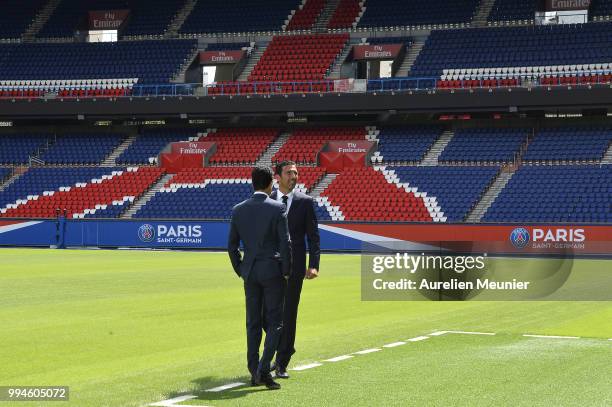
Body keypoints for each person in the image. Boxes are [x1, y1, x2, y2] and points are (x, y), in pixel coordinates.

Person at [228, 166, 292, 390]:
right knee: (275, 323)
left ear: (253, 183)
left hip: (250, 273)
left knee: (253, 323)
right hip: (273, 271)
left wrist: (241, 269)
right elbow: (286, 243)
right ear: (270, 184)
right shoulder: (278, 208)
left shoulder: (238, 209)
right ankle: (265, 370)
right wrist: (286, 270)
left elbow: (232, 246)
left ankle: (254, 370)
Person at [269, 161, 320, 378]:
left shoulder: (305, 202)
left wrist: (314, 265)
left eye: (296, 173)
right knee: (267, 313)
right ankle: (276, 350)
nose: (294, 176)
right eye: (289, 172)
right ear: (277, 177)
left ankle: (282, 361)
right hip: (269, 266)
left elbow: (313, 237)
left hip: (295, 267)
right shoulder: (267, 200)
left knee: (289, 314)